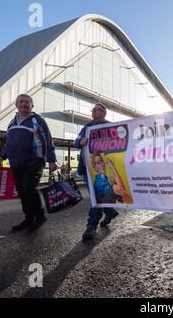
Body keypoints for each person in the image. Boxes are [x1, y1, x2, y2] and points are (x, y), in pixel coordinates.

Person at [0, 94, 58, 232]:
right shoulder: (12, 123)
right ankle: (29, 218)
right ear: (16, 105)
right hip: (16, 162)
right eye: (21, 101)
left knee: (28, 187)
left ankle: (40, 215)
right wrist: (1, 158)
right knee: (22, 191)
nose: (24, 104)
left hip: (35, 160)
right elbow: (7, 144)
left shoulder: (37, 120)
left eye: (27, 102)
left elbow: (48, 140)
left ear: (32, 106)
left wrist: (52, 160)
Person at [74, 103, 119, 241]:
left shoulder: (111, 127)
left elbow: (118, 144)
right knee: (96, 196)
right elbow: (76, 143)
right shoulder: (86, 127)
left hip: (102, 168)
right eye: (93, 110)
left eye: (98, 110)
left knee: (96, 197)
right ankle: (110, 212)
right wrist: (81, 141)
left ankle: (91, 227)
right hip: (88, 167)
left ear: (104, 113)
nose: (94, 112)